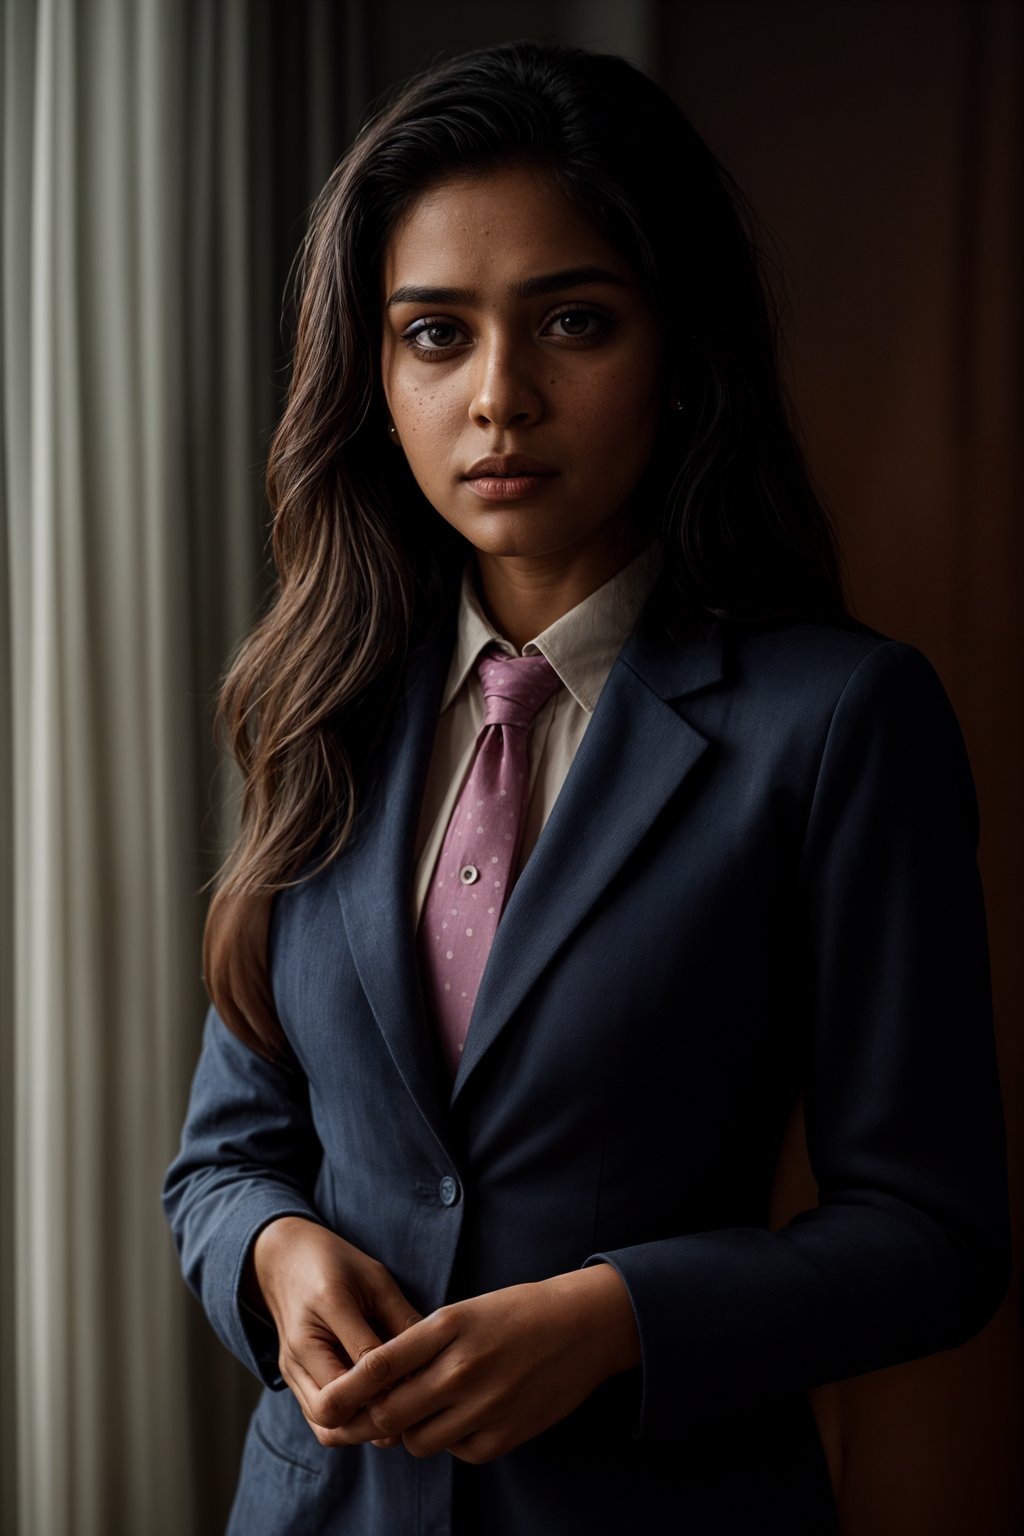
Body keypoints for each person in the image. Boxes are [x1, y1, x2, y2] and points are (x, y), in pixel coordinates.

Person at [162, 39, 1011, 1536]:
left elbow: (932, 1234)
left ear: (679, 352)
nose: (500, 397)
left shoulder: (839, 722)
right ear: (375, 372)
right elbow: (227, 1153)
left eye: (572, 322)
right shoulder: (322, 693)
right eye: (436, 335)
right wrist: (277, 1257)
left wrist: (620, 1317)